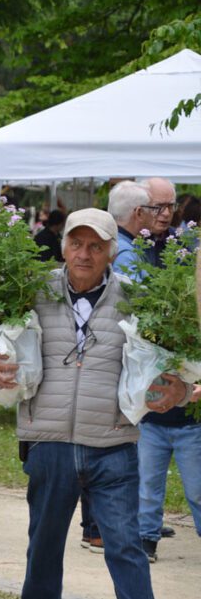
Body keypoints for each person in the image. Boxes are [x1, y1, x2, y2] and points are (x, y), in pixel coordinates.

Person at [0, 208, 193, 599]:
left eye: (96, 246)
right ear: (63, 247)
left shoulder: (137, 298)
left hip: (113, 446)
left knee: (127, 548)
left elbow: (173, 362)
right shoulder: (30, 291)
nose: (84, 254)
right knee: (42, 550)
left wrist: (179, 388)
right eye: (76, 244)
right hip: (48, 442)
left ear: (112, 252)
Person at [128, 178, 201, 562]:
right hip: (152, 399)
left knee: (197, 487)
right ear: (139, 209)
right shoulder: (132, 251)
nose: (166, 213)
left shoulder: (184, 249)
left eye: (171, 206)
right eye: (158, 207)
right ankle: (146, 539)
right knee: (147, 483)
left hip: (188, 394)